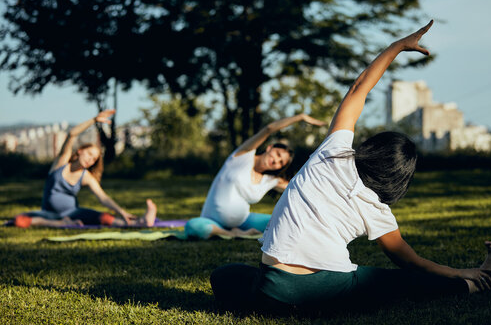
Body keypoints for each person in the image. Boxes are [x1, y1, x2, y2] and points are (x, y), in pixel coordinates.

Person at [210, 20, 491, 310]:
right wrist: (460, 271)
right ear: (398, 178)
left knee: (223, 276)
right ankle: (473, 282)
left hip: (271, 289)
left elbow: (358, 89)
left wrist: (397, 47)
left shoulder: (332, 153)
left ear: (372, 148)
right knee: (399, 282)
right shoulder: (378, 210)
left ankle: (472, 281)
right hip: (328, 289)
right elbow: (413, 263)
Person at [185, 114, 325, 239]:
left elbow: (300, 187)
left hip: (244, 221)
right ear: (269, 147)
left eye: (281, 162)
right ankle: (231, 233)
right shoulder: (243, 155)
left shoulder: (271, 180)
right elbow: (269, 129)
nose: (276, 160)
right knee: (193, 227)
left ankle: (233, 231)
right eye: (277, 154)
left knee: (283, 221)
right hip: (211, 221)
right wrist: (300, 117)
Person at [13, 110, 157, 228]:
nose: (90, 159)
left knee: (105, 218)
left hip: (74, 213)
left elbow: (103, 197)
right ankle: (61, 224)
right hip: (49, 214)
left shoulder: (86, 176)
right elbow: (72, 134)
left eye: (94, 159)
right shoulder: (61, 163)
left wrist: (121, 211)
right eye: (89, 154)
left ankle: (141, 222)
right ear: (80, 151)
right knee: (19, 220)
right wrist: (94, 120)